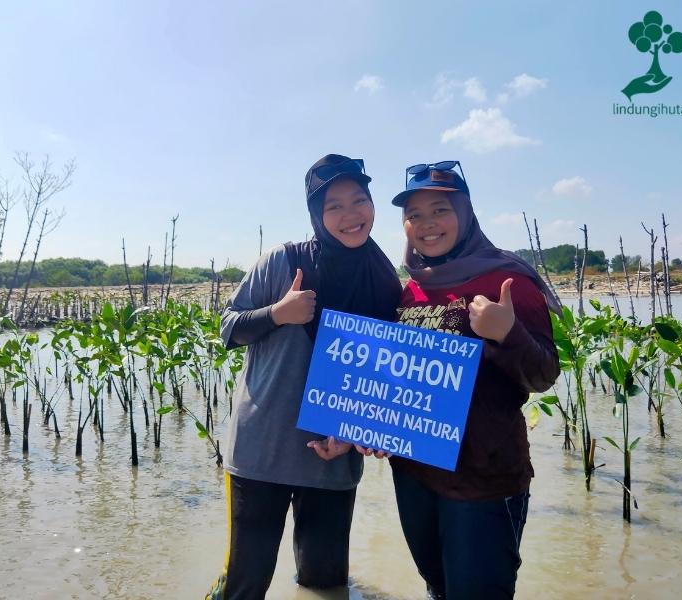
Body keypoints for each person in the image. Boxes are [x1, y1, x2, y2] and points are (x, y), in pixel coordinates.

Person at [206, 154, 401, 600]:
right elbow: (227, 329)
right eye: (334, 206)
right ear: (316, 213)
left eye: (359, 200)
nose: (351, 216)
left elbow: (379, 380)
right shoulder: (283, 261)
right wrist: (278, 313)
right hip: (261, 455)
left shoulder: (386, 280)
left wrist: (353, 437)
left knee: (325, 586)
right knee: (244, 584)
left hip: (331, 460)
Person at [388, 161, 560, 599]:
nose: (427, 224)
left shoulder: (508, 280)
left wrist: (508, 332)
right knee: (438, 588)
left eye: (439, 210)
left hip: (482, 478)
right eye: (414, 214)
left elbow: (543, 374)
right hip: (414, 472)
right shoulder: (411, 289)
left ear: (464, 214)